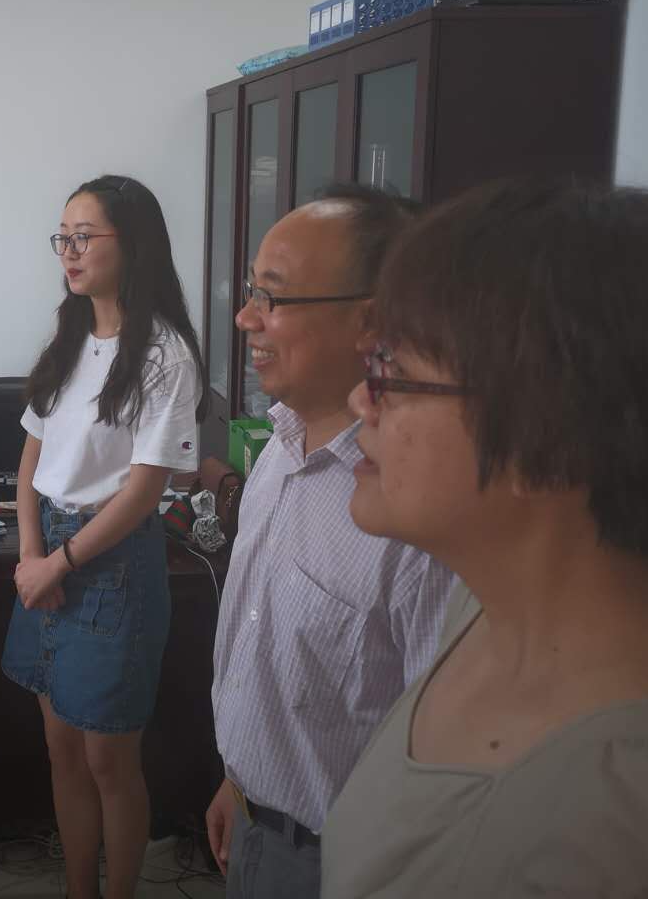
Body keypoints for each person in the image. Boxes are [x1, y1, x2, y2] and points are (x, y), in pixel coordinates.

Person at [324, 178, 648, 897]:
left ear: (551, 443)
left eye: (393, 374)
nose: (359, 400)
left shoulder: (637, 818)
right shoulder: (485, 607)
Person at [206, 186, 454, 899]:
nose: (245, 316)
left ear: (370, 322)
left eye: (272, 296)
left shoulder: (414, 517)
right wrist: (238, 781)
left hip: (343, 862)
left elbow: (441, 764)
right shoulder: (280, 445)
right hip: (252, 820)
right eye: (250, 290)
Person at [2, 175, 205, 899]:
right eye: (63, 237)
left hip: (112, 563)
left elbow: (144, 492)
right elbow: (29, 466)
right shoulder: (67, 340)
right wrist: (32, 557)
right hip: (49, 554)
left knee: (108, 761)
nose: (69, 250)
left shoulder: (164, 355)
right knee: (61, 749)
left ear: (134, 243)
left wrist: (57, 563)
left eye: (85, 236)